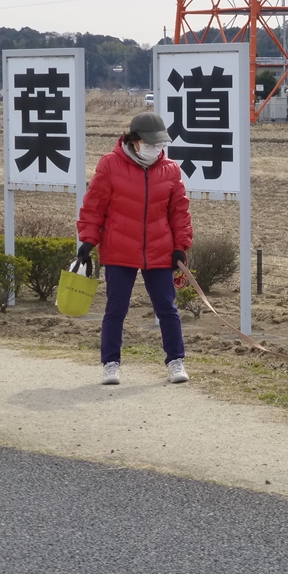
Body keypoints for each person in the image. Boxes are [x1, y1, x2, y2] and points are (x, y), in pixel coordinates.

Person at [76, 111, 193, 386]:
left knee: (167, 308)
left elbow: (179, 213)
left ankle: (176, 361)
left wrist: (180, 247)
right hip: (119, 249)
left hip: (160, 249)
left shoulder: (171, 170)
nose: (156, 149)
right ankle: (111, 364)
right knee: (116, 308)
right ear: (135, 141)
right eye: (150, 143)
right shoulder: (109, 165)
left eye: (159, 144)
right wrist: (88, 239)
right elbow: (94, 207)